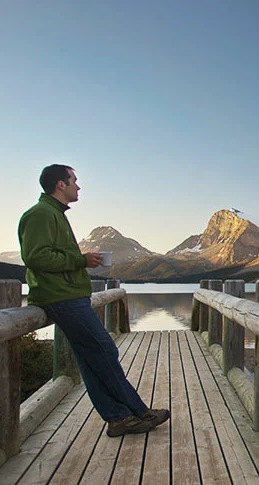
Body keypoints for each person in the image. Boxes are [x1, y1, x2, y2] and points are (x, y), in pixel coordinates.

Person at [18, 164, 169, 437]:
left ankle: (118, 418)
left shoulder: (53, 213)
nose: (78, 186)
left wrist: (81, 262)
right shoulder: (40, 214)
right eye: (74, 180)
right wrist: (80, 260)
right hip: (62, 298)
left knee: (90, 360)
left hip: (68, 296)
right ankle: (138, 411)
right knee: (104, 351)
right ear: (60, 185)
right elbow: (35, 257)